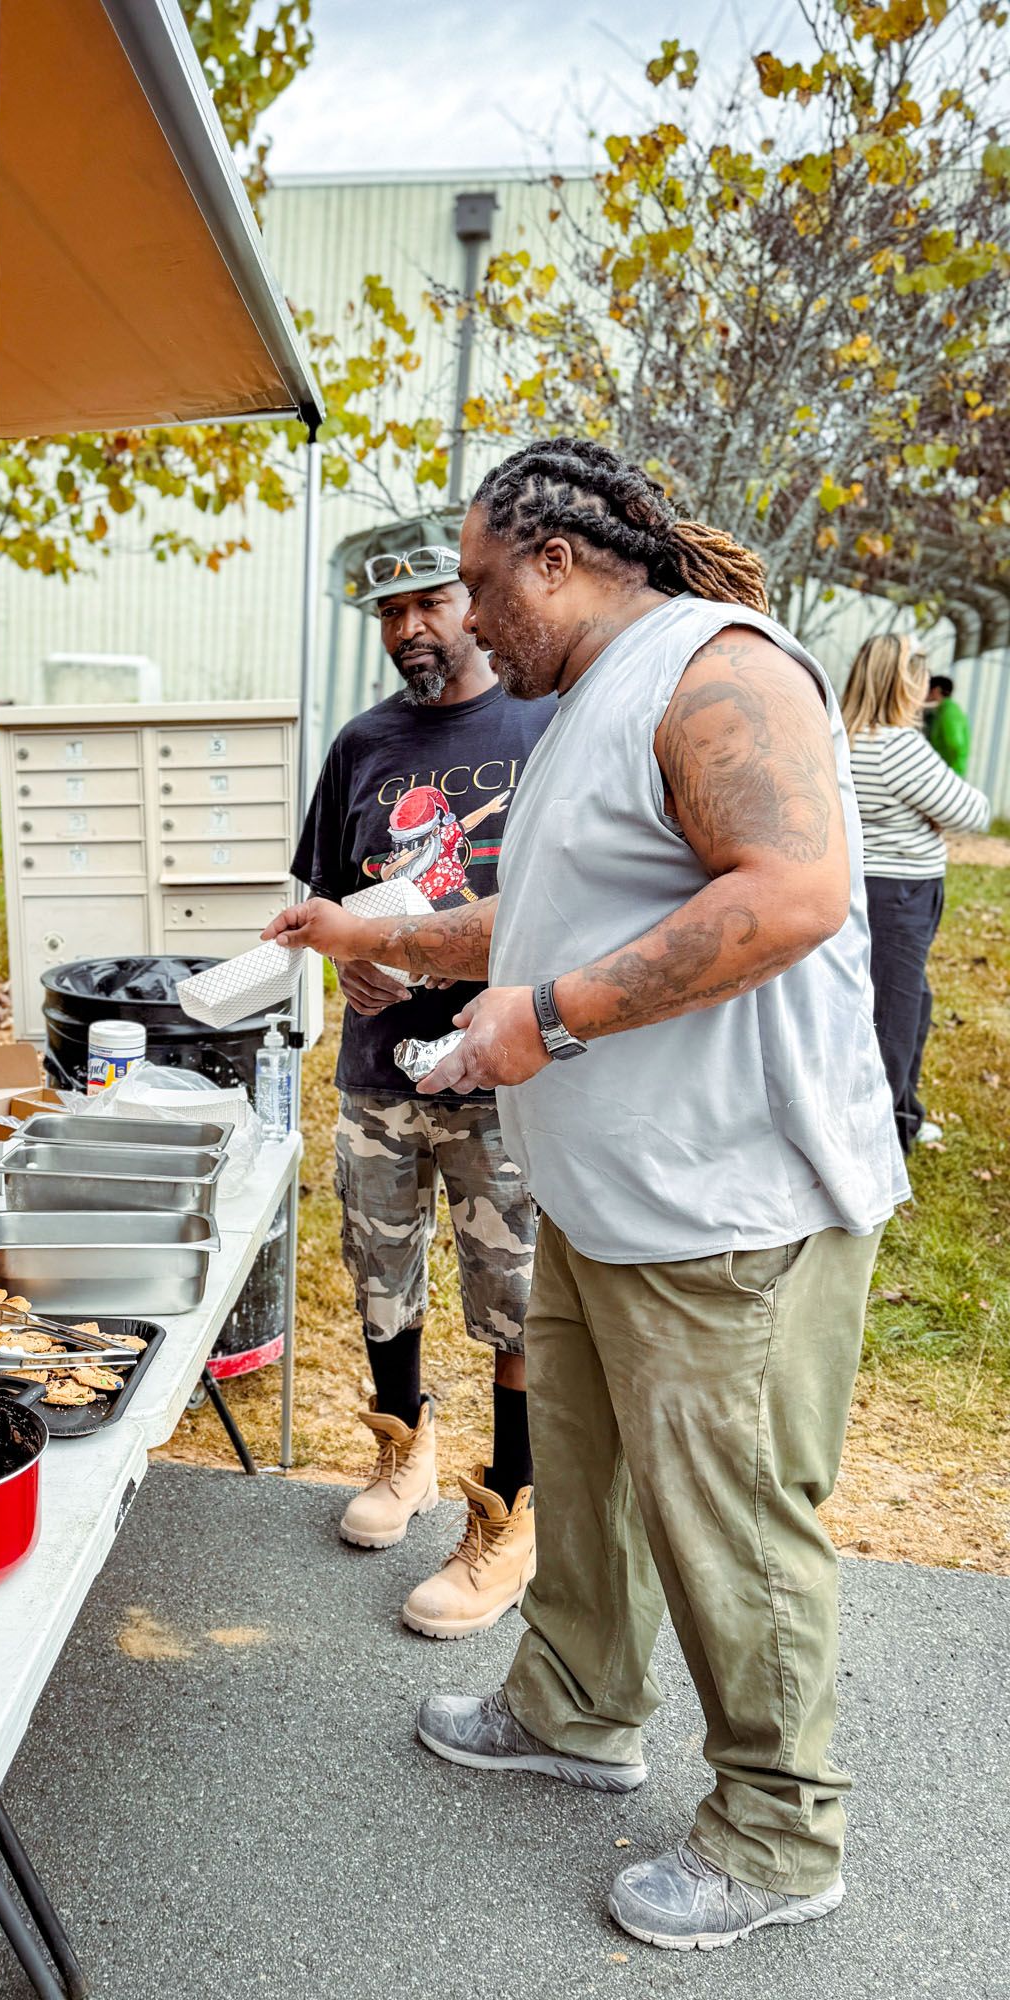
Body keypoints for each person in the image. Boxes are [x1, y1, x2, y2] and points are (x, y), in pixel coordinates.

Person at [265, 438, 908, 1953]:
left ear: (555, 563)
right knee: (591, 1474)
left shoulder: (717, 669)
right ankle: (579, 1705)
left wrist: (541, 1021)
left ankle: (777, 1830)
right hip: (614, 1202)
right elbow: (550, 910)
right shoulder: (589, 707)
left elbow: (796, 892)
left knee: (731, 1521)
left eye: (483, 586)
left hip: (729, 1212)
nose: (472, 623)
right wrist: (398, 938)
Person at [291, 531, 553, 1639]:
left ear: (475, 600)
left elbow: (581, 898)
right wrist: (344, 952)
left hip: (506, 1074)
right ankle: (402, 1448)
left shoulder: (544, 726)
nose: (408, 628)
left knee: (516, 1297)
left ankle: (513, 1506)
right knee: (379, 1272)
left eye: (427, 602)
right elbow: (327, 890)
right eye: (388, 612)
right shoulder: (361, 745)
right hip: (377, 1071)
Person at [842, 637, 988, 1150]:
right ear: (907, 682)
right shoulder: (897, 746)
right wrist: (930, 816)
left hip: (860, 884)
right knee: (896, 1016)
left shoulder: (841, 735)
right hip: (899, 894)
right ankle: (882, 1141)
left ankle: (900, 1115)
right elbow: (972, 812)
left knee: (903, 1003)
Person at [922, 672, 971, 776]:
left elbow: (955, 744)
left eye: (927, 691)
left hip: (949, 772)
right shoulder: (943, 711)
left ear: (936, 691)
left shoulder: (949, 712)